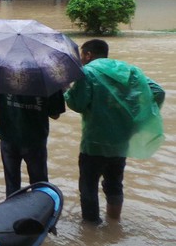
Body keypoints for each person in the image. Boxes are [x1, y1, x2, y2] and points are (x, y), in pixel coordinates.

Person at [64, 39, 165, 225]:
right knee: (114, 184)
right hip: (121, 142)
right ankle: (114, 223)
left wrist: (66, 89)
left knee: (88, 186)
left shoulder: (87, 72)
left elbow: (76, 104)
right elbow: (158, 92)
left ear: (88, 55)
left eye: (82, 56)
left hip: (94, 143)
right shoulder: (130, 71)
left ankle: (91, 228)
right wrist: (138, 120)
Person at [0, 84, 65, 197]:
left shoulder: (3, 73)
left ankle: (13, 212)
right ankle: (39, 210)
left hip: (8, 136)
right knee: (40, 185)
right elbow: (55, 114)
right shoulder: (48, 79)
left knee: (12, 185)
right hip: (35, 140)